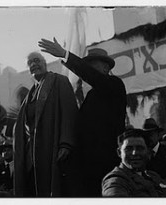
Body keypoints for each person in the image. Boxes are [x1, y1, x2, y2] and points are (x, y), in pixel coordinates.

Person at [38, 38, 127, 196]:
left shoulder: (115, 84)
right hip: (87, 164)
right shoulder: (92, 94)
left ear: (106, 67)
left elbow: (93, 77)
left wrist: (65, 55)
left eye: (94, 64)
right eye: (88, 65)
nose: (90, 68)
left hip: (105, 162)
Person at [14, 51, 78, 197]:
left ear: (45, 63)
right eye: (30, 63)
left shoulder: (59, 81)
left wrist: (65, 143)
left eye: (37, 60)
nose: (34, 64)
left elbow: (69, 112)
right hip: (30, 156)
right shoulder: (29, 94)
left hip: (51, 148)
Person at [102, 129, 166, 197]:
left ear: (148, 152)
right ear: (119, 153)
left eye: (140, 148)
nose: (134, 153)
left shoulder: (152, 176)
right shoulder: (117, 180)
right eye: (129, 149)